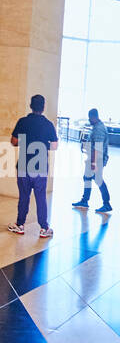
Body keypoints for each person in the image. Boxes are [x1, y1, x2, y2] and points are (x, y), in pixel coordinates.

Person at [8, 94, 58, 238]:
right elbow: (54, 146)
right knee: (41, 197)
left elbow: (13, 141)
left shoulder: (23, 122)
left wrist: (25, 142)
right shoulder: (48, 124)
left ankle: (20, 225)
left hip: (24, 165)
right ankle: (44, 228)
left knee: (24, 196)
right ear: (43, 107)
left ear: (30, 106)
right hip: (41, 167)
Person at [72, 108, 112, 216]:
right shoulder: (96, 126)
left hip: (97, 159)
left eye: (90, 118)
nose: (89, 120)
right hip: (93, 158)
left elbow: (97, 148)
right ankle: (85, 201)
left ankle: (106, 203)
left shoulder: (99, 129)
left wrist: (94, 163)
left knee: (98, 179)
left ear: (94, 117)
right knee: (87, 178)